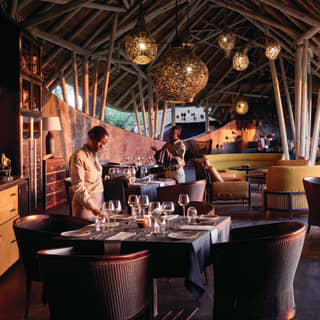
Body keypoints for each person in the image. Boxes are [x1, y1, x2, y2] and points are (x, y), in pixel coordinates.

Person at [69, 126, 108, 220]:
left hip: (99, 202)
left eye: (104, 143)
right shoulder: (78, 156)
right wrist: (92, 208)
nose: (102, 146)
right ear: (91, 138)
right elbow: (78, 187)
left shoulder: (93, 155)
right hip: (85, 206)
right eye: (100, 142)